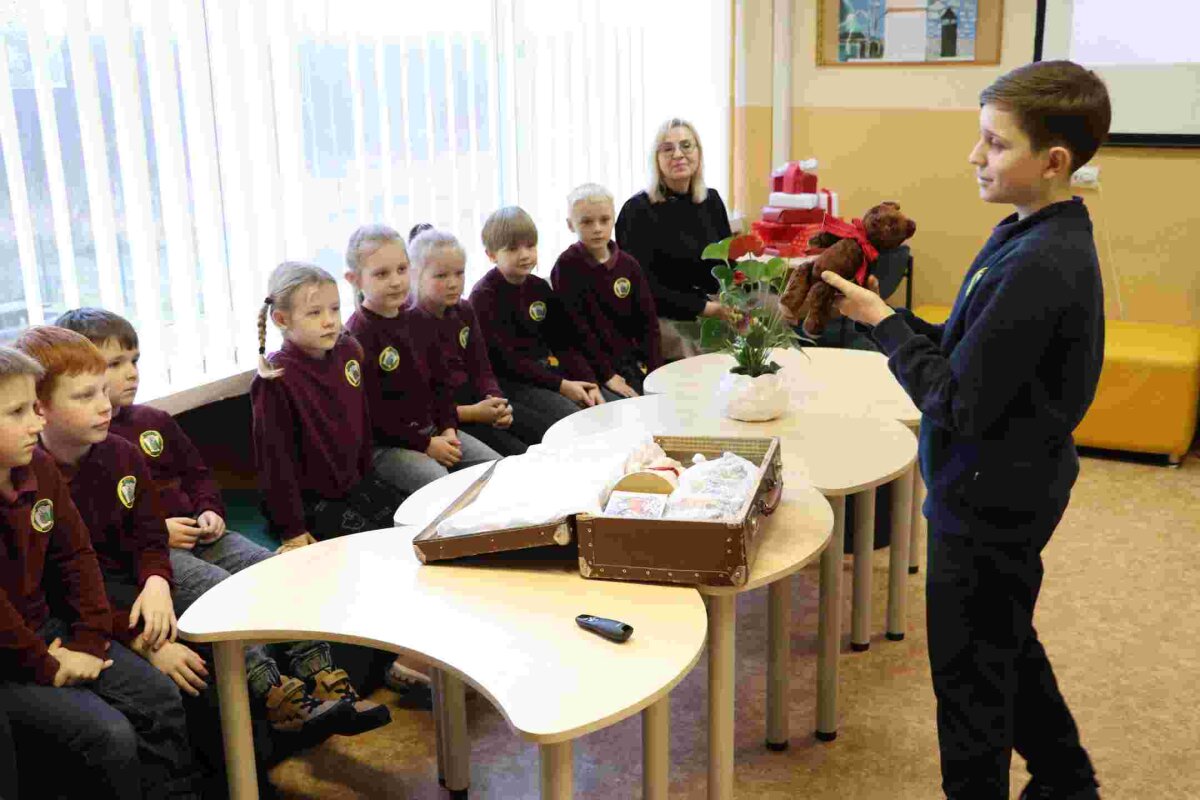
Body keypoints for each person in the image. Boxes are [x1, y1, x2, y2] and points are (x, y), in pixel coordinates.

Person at [822, 60, 1109, 800]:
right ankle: (1067, 781)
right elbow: (965, 346)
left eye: (996, 143)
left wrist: (883, 324)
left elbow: (956, 400)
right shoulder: (1025, 232)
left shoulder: (1043, 264)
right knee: (1003, 646)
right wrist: (883, 316)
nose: (975, 156)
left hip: (991, 502)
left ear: (1054, 161)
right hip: (997, 489)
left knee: (970, 684)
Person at [53, 309, 389, 736]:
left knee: (277, 568)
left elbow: (198, 475)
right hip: (161, 552)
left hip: (204, 533)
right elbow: (112, 534)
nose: (130, 373)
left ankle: (324, 676)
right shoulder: (88, 450)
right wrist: (161, 531)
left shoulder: (153, 422)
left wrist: (209, 509)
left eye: (134, 360)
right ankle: (278, 696)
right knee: (221, 589)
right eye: (114, 364)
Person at [0, 345, 202, 799]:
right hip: (11, 654)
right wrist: (48, 663)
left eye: (33, 408)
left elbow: (76, 555)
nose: (35, 424)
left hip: (50, 629)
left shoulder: (38, 467)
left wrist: (90, 641)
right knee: (109, 735)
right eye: (17, 413)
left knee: (159, 698)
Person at [252, 262, 406, 552]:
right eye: (315, 313)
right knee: (374, 551)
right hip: (310, 502)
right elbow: (275, 461)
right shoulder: (275, 378)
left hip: (356, 484)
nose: (329, 321)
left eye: (334, 309)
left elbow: (361, 421)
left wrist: (367, 479)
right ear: (282, 319)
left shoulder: (348, 351)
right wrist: (292, 529)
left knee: (410, 528)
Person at [343, 224, 499, 493]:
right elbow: (373, 417)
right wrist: (426, 445)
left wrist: (448, 428)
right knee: (446, 489)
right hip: (389, 446)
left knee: (500, 470)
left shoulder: (419, 319)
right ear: (354, 279)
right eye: (381, 274)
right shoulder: (357, 336)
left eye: (401, 269)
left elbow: (441, 385)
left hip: (434, 431)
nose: (395, 281)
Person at [471, 206, 610, 441]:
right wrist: (562, 385)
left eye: (530, 246)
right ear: (491, 255)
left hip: (548, 374)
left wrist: (589, 382)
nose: (525, 255)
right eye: (513, 249)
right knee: (575, 423)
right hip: (513, 384)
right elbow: (507, 362)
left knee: (605, 408)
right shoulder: (483, 296)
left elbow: (564, 343)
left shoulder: (539, 287)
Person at [615, 118, 736, 359]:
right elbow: (643, 286)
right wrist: (705, 308)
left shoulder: (711, 201)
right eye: (667, 149)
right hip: (664, 315)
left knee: (767, 321)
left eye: (686, 146)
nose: (678, 154)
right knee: (700, 355)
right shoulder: (637, 211)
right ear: (657, 160)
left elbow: (727, 265)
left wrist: (735, 299)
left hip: (712, 306)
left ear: (698, 152)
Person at [403, 228, 528, 455]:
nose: (453, 283)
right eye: (441, 276)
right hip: (448, 419)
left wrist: (496, 400)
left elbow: (482, 369)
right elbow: (424, 403)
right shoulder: (407, 321)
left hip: (477, 404)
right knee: (515, 456)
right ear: (415, 276)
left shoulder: (464, 310)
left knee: (540, 434)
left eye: (459, 273)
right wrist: (473, 413)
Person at [552, 183, 662, 395]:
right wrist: (607, 375)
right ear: (570, 225)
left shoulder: (629, 265)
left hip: (628, 363)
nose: (597, 228)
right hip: (589, 368)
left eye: (604, 220)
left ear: (613, 219)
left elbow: (648, 324)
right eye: (587, 222)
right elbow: (577, 330)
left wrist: (656, 372)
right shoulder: (566, 267)